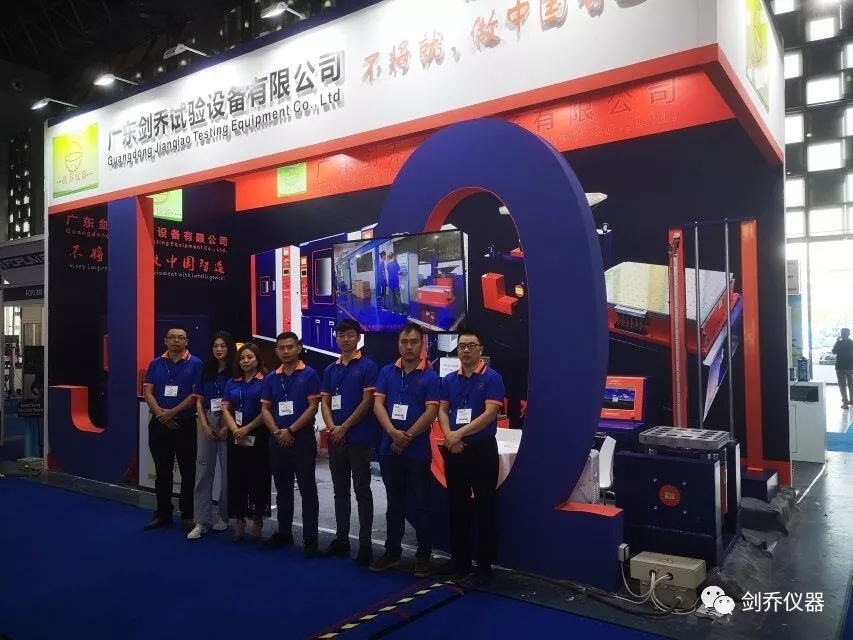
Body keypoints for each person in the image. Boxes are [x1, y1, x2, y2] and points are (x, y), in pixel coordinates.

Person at [371, 322, 440, 577]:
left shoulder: (431, 377)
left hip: (417, 450)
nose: (409, 346)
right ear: (398, 344)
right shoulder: (387, 372)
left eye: (414, 342)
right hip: (389, 448)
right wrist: (393, 433)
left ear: (422, 344)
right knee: (394, 504)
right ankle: (392, 553)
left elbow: (431, 411)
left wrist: (407, 436)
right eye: (404, 342)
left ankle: (423, 558)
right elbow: (378, 405)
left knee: (422, 505)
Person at [437, 328, 505, 585]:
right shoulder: (449, 380)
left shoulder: (492, 378)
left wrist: (458, 434)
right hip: (454, 450)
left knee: (485, 507)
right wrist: (449, 436)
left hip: (481, 449)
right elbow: (442, 410)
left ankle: (484, 566)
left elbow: (489, 415)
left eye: (471, 346)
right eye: (462, 346)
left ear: (480, 349)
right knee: (457, 505)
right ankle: (459, 559)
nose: (466, 350)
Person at [320, 319, 379, 565]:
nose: (345, 339)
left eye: (350, 335)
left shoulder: (368, 366)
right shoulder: (330, 370)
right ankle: (342, 539)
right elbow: (324, 402)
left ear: (358, 337)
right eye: (341, 335)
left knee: (362, 490)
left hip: (359, 437)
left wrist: (344, 427)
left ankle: (365, 544)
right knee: (339, 490)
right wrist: (332, 427)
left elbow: (367, 402)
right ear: (336, 337)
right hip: (336, 438)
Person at [260, 332, 322, 558]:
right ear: (276, 351)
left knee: (307, 489)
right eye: (282, 348)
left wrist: (291, 430)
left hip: (302, 438)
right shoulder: (271, 378)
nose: (286, 351)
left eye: (290, 347)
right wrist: (278, 432)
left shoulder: (310, 374)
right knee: (282, 489)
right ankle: (284, 532)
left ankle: (310, 539)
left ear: (299, 348)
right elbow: (265, 409)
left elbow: (313, 407)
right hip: (277, 438)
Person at [141, 327, 203, 532]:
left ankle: (188, 514)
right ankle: (163, 513)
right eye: (172, 337)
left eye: (181, 337)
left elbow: (195, 395)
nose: (177, 340)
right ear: (165, 341)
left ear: (187, 341)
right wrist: (161, 414)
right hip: (159, 424)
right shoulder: (155, 363)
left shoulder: (196, 364)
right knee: (162, 471)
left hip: (184, 424)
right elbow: (147, 391)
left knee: (188, 472)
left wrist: (172, 412)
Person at [187, 331, 235, 540]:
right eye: (215, 346)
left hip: (230, 421)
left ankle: (224, 517)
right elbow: (198, 401)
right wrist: (205, 426)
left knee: (227, 473)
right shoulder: (204, 370)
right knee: (203, 471)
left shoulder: (236, 371)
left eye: (223, 345)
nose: (219, 349)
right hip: (208, 418)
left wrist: (228, 427)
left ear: (229, 348)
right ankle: (201, 521)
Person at [223, 342, 272, 542]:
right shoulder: (232, 382)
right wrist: (235, 430)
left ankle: (257, 520)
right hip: (235, 436)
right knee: (237, 478)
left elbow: (266, 410)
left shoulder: (266, 380)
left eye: (250, 357)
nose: (245, 361)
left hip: (258, 435)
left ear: (258, 359)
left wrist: (247, 428)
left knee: (258, 478)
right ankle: (240, 520)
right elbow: (226, 409)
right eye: (242, 358)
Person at [833, 328, 853, 409]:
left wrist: (837, 341)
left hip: (840, 367)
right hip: (850, 367)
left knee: (842, 386)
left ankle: (845, 403)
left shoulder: (839, 342)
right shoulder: (851, 342)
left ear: (841, 334)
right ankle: (852, 401)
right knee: (851, 385)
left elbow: (834, 351)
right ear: (849, 334)